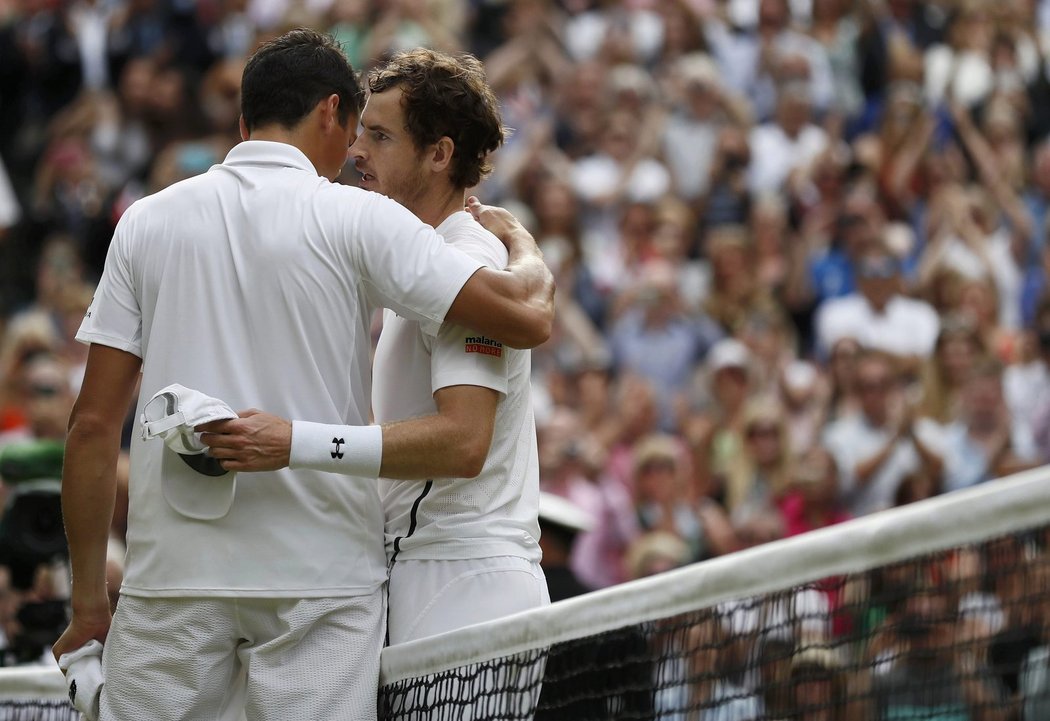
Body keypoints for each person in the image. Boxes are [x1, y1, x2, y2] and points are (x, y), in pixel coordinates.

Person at [52, 29, 554, 721]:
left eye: (378, 138)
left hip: (174, 580)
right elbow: (525, 314)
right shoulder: (362, 219)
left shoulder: (144, 222)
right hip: (325, 586)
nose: (354, 153)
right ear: (330, 113)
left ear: (242, 121)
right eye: (360, 130)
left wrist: (88, 603)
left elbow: (92, 426)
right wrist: (526, 248)